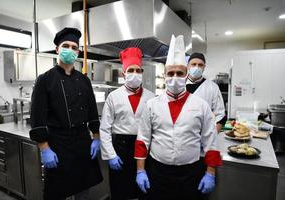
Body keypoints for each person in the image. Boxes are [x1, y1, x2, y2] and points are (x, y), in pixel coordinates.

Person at [134, 35, 222, 200]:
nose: (175, 77)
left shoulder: (201, 106)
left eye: (179, 73)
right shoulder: (151, 105)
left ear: (186, 74)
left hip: (190, 174)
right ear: (165, 75)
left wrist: (210, 173)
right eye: (171, 73)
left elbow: (211, 142)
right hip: (157, 172)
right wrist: (140, 171)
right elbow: (142, 140)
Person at [29, 27, 103, 200]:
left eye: (74, 47)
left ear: (78, 52)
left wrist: (96, 137)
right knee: (57, 193)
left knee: (83, 190)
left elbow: (92, 111)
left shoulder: (84, 80)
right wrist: (44, 148)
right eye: (66, 46)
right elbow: (37, 118)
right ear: (57, 49)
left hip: (82, 142)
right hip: (57, 144)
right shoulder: (45, 79)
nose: (70, 50)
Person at [100, 47, 154, 200]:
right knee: (120, 191)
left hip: (144, 149)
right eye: (131, 70)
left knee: (143, 191)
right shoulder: (113, 97)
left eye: (138, 70)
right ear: (124, 74)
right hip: (121, 148)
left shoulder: (151, 97)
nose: (135, 74)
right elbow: (105, 128)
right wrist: (111, 155)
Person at [186, 52, 226, 132]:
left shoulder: (212, 87)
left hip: (204, 134)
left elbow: (220, 115)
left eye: (200, 65)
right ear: (188, 66)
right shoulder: (179, 85)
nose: (197, 67)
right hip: (181, 135)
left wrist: (212, 138)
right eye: (193, 64)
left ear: (204, 67)